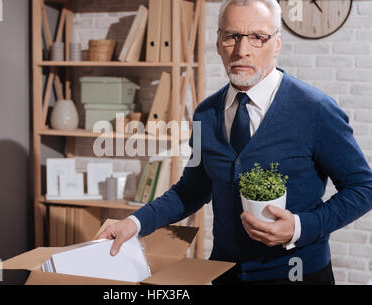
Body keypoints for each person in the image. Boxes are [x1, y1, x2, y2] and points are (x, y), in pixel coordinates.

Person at [96, 0, 372, 284]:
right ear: (218, 43)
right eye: (232, 36)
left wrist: (301, 227)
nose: (242, 51)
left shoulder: (316, 109)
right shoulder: (205, 113)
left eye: (257, 37)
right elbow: (192, 189)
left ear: (276, 44)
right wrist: (135, 223)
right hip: (224, 273)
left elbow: (363, 188)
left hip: (298, 274)